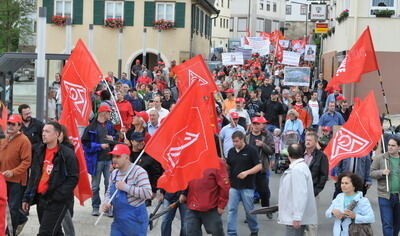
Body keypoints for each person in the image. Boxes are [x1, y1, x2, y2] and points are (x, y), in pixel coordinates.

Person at [22, 122, 79, 235]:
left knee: (45, 232)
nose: (43, 134)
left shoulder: (67, 153)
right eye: (43, 131)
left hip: (57, 200)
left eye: (47, 131)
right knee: (55, 231)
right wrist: (27, 198)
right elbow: (33, 176)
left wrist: (58, 195)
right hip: (41, 199)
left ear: (57, 134)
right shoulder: (39, 151)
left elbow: (73, 178)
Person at [102, 144, 152, 235]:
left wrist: (126, 187)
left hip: (136, 223)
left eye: (118, 156)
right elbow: (109, 193)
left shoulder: (139, 172)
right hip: (118, 223)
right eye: (113, 156)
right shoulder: (114, 174)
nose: (114, 159)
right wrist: (107, 203)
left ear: (126, 157)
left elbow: (148, 193)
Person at [81, 105, 117, 216]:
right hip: (96, 161)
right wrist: (99, 146)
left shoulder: (110, 126)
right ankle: (95, 207)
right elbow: (85, 144)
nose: (110, 114)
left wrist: (113, 138)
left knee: (109, 185)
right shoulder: (91, 127)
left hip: (108, 160)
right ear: (102, 113)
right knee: (95, 186)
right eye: (108, 112)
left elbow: (116, 138)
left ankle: (108, 207)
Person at [0, 115, 32, 234]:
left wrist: (13, 172)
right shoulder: (4, 139)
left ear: (19, 126)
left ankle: (10, 232)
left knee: (12, 208)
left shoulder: (24, 141)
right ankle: (22, 219)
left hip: (17, 181)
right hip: (2, 179)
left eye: (13, 124)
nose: (10, 126)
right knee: (3, 205)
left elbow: (27, 162)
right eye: (9, 123)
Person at [226, 131, 262, 236]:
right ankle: (231, 232)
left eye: (237, 141)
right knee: (231, 210)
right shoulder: (231, 151)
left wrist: (246, 173)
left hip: (247, 186)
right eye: (233, 142)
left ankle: (254, 229)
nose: (235, 144)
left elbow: (259, 166)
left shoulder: (251, 150)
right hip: (234, 186)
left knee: (249, 211)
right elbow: (229, 166)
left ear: (242, 139)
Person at [278, 143, 317, 236]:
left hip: (293, 216)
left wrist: (297, 216)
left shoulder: (297, 170)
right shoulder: (300, 167)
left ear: (288, 154)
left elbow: (300, 194)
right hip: (294, 214)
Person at [184, 158, 230, 236]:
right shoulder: (191, 159)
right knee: (191, 232)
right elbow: (186, 179)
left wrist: (221, 205)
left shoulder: (217, 162)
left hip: (211, 207)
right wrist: (183, 193)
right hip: (192, 207)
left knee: (217, 232)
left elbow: (225, 186)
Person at [370, 137, 400, 236]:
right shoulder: (380, 158)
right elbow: (371, 173)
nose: (390, 147)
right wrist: (382, 172)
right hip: (385, 195)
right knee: (387, 223)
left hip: (398, 196)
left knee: (397, 224)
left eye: (393, 145)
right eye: (389, 145)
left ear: (398, 147)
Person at [246, 116, 274, 217]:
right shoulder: (247, 136)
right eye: (254, 124)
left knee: (264, 191)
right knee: (248, 194)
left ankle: (267, 210)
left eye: (258, 124)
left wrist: (263, 145)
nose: (256, 126)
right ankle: (249, 214)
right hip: (249, 168)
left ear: (262, 125)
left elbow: (271, 151)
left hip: (262, 168)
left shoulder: (267, 136)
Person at [303, 132, 329, 236]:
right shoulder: (300, 154)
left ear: (315, 142)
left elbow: (323, 176)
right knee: (299, 218)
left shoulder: (321, 156)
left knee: (311, 220)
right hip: (298, 191)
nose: (307, 142)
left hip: (312, 191)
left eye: (310, 140)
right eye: (306, 140)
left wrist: (316, 191)